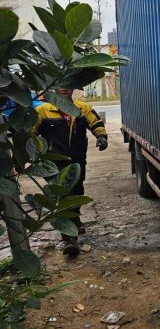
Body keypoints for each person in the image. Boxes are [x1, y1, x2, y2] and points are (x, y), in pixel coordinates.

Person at [34, 87, 108, 256]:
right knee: (64, 194)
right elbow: (29, 133)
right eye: (61, 85)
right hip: (54, 162)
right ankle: (69, 238)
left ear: (73, 88)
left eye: (68, 85)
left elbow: (95, 123)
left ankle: (75, 219)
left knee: (78, 190)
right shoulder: (43, 111)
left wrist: (101, 137)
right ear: (54, 88)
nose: (64, 89)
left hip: (77, 158)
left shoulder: (82, 108)